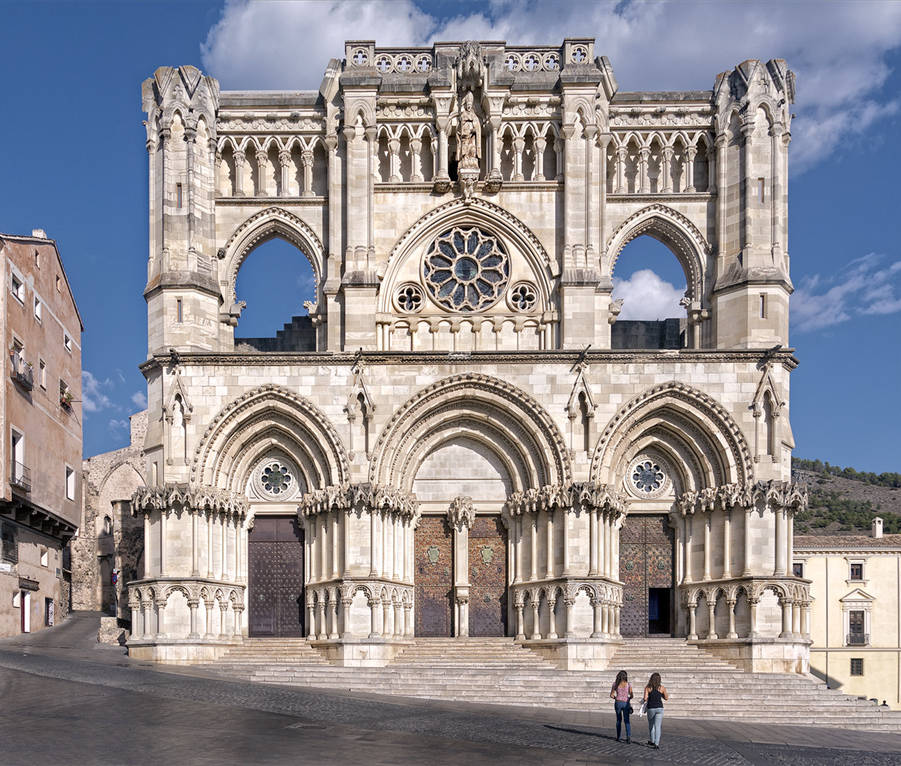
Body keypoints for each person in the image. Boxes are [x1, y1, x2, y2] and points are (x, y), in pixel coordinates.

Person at [642, 672, 668, 749]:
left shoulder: (648, 687)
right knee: (658, 726)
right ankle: (657, 744)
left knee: (651, 725)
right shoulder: (662, 688)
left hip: (651, 708)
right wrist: (661, 694)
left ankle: (652, 741)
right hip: (659, 708)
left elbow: (645, 698)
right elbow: (666, 698)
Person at [609, 670, 633, 743]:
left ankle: (618, 737)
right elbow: (632, 695)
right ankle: (628, 737)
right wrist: (628, 698)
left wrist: (616, 698)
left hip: (618, 702)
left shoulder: (615, 684)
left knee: (618, 720)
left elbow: (611, 695)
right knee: (627, 720)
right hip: (625, 703)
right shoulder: (628, 684)